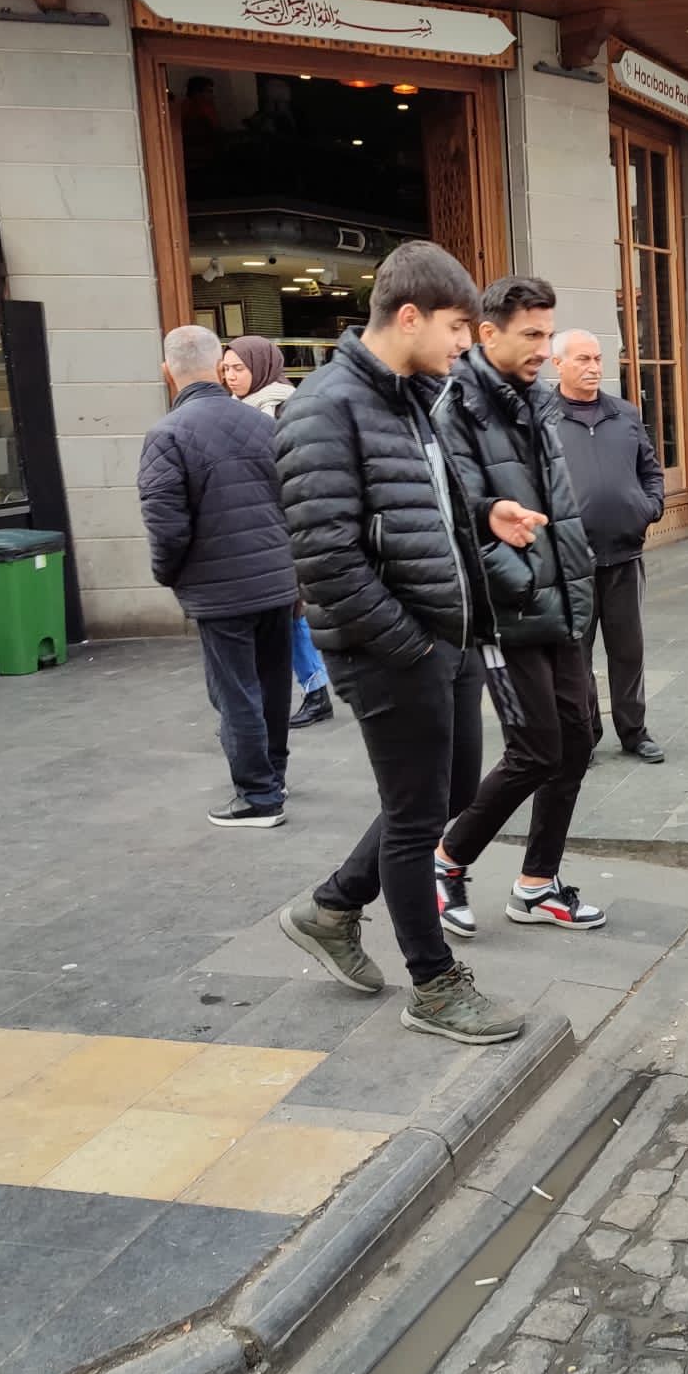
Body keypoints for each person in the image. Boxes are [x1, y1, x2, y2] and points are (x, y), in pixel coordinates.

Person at [276, 239, 529, 1042]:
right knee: (418, 819)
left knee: (444, 799)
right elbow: (324, 558)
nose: (466, 343)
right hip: (393, 650)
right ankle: (434, 985)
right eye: (459, 326)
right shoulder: (325, 408)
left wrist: (483, 517)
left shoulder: (412, 396)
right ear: (410, 315)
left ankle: (332, 908)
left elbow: (416, 509)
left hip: (440, 638)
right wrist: (412, 647)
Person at [434, 276, 607, 936]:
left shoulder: (536, 402)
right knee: (536, 747)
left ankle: (537, 883)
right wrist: (524, 578)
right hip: (509, 612)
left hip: (562, 604)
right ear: (488, 333)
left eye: (547, 333)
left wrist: (569, 578)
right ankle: (446, 860)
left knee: (580, 738)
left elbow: (555, 509)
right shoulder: (457, 410)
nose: (544, 347)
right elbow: (461, 521)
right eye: (530, 335)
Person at [138, 325, 298, 828]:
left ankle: (258, 796)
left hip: (219, 588)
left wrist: (169, 574)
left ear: (168, 372)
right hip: (276, 577)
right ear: (217, 367)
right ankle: (274, 773)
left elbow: (166, 524)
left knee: (235, 692)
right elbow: (296, 500)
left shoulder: (166, 435)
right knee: (273, 683)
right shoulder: (264, 424)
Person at [552, 328, 666, 766]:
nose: (594, 367)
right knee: (576, 656)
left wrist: (650, 506)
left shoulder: (624, 414)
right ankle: (584, 736)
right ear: (557, 363)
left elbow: (650, 469)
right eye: (582, 359)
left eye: (598, 358)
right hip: (570, 562)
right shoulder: (544, 418)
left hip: (624, 555)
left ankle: (634, 732)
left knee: (628, 651)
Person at [220, 337, 332, 730]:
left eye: (239, 368)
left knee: (292, 610)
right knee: (286, 612)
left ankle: (316, 690)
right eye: (227, 369)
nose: (231, 377)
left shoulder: (284, 406)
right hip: (261, 525)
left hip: (287, 525)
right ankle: (312, 689)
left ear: (261, 366)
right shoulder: (235, 410)